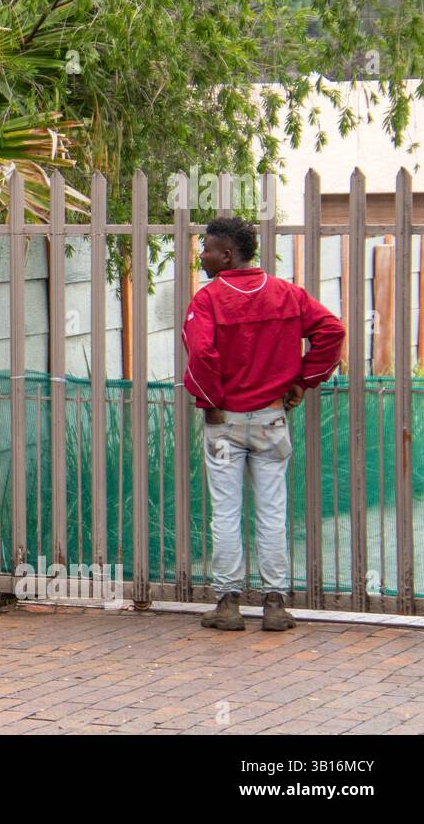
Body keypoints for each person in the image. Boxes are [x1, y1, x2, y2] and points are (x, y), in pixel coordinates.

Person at [182, 216, 345, 632]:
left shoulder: (209, 300)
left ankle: (228, 603)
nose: (202, 255)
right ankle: (275, 604)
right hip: (272, 419)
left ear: (228, 254)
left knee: (226, 512)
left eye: (208, 248)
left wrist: (210, 400)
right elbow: (332, 331)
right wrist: (303, 381)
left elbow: (201, 355)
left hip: (225, 422)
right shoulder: (287, 294)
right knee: (272, 512)